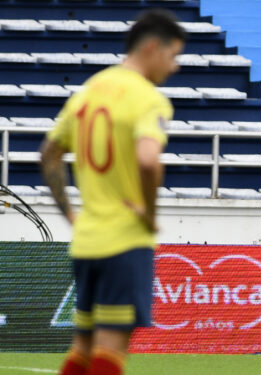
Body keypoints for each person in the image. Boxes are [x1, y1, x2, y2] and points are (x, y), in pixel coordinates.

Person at [40, 9, 185, 375]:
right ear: (152, 47)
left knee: (83, 349)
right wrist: (149, 215)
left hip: (87, 239)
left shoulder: (89, 92)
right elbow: (149, 161)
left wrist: (71, 215)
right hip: (124, 239)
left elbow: (49, 153)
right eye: (173, 56)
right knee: (110, 350)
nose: (175, 67)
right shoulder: (147, 98)